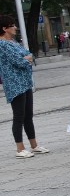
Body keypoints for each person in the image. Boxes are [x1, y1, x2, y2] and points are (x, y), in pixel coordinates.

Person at [0, 15, 50, 159]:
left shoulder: (13, 42)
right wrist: (26, 59)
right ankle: (20, 148)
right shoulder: (2, 45)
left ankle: (34, 145)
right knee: (19, 116)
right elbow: (19, 61)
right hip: (15, 84)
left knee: (28, 115)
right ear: (4, 28)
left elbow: (29, 55)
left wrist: (27, 58)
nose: (15, 27)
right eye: (12, 25)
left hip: (25, 82)